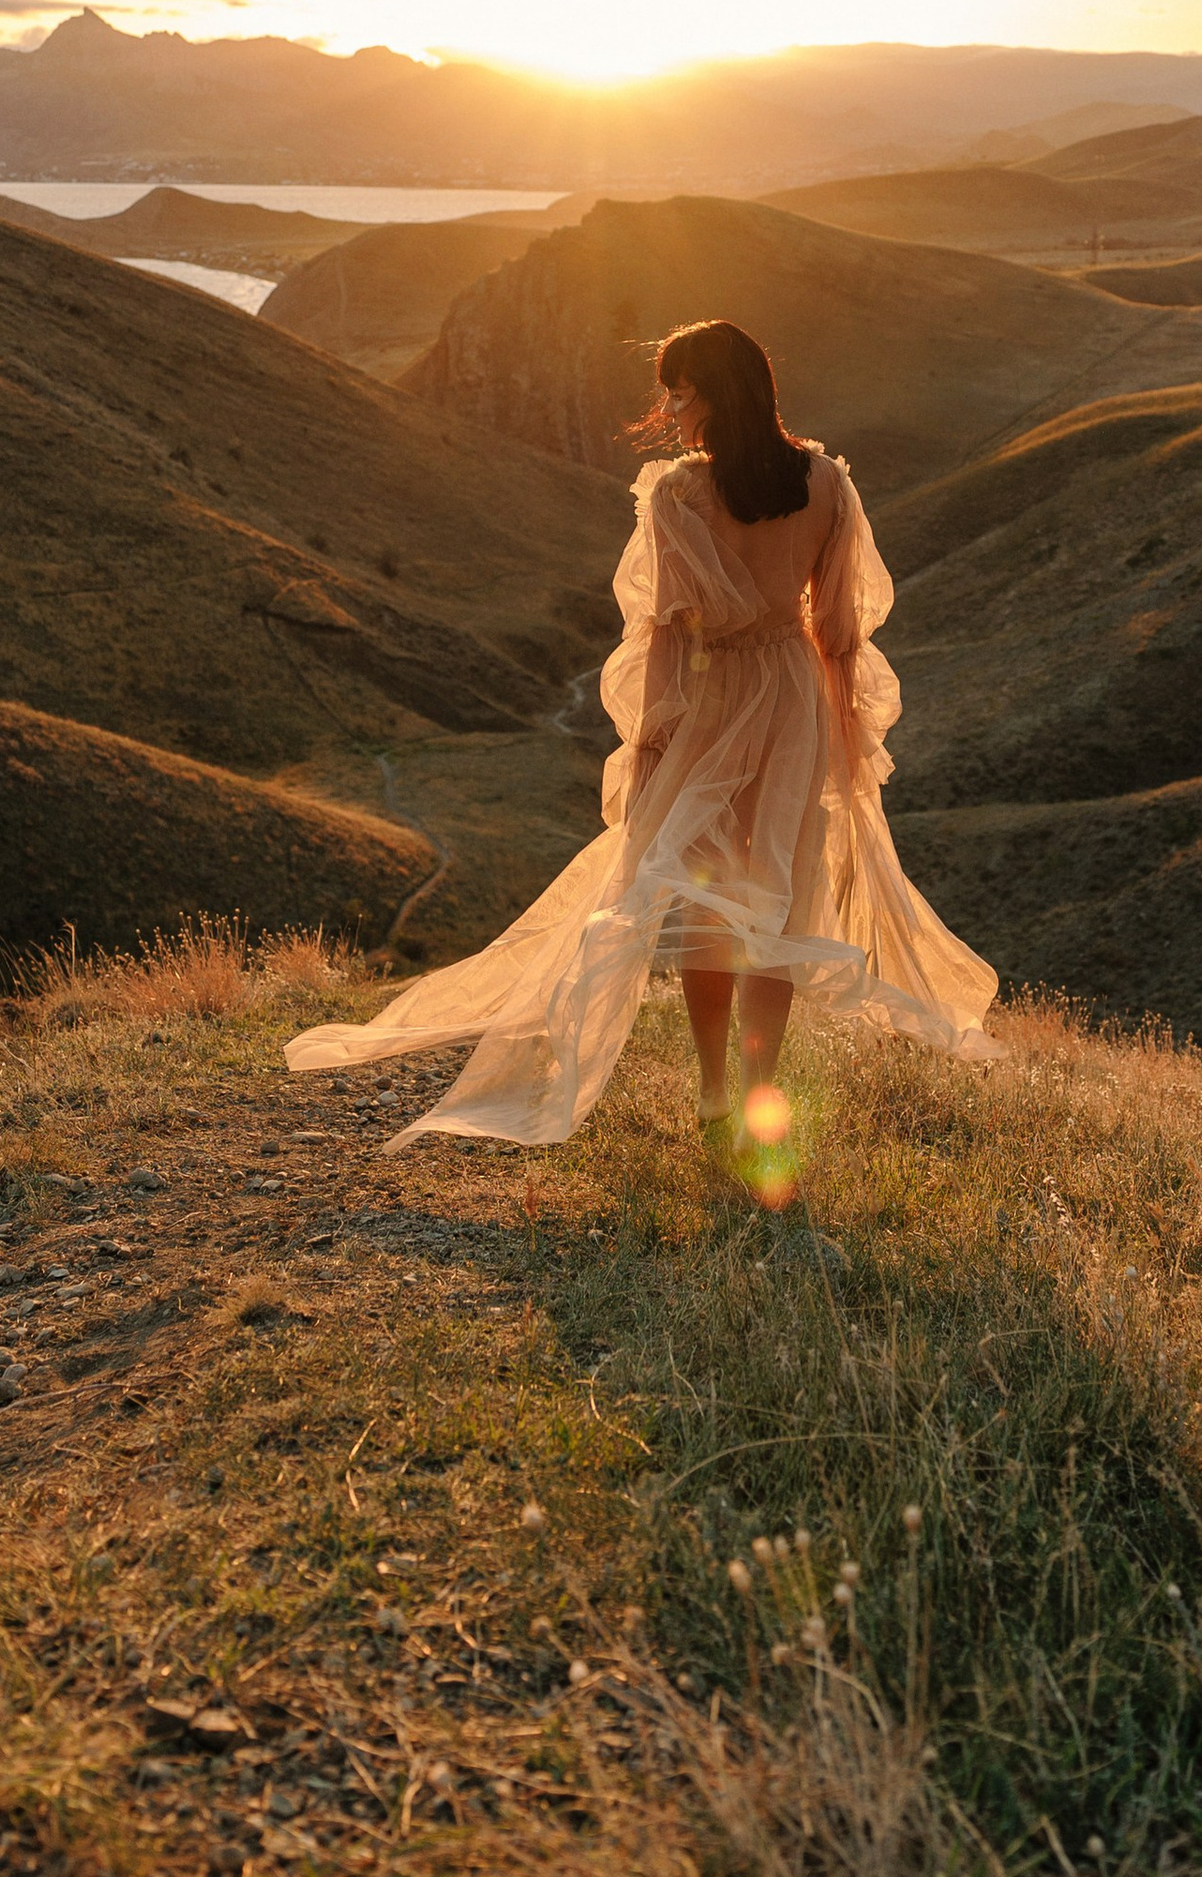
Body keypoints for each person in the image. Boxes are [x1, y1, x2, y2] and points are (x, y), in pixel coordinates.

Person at [282, 317, 998, 1214]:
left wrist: (654, 734)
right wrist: (846, 727)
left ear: (719, 393)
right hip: (793, 694)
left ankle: (711, 1091)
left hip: (712, 700)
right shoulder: (826, 483)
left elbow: (667, 628)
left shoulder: (678, 496)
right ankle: (756, 1094)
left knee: (707, 891)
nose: (670, 406)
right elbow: (841, 628)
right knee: (777, 891)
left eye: (682, 389)